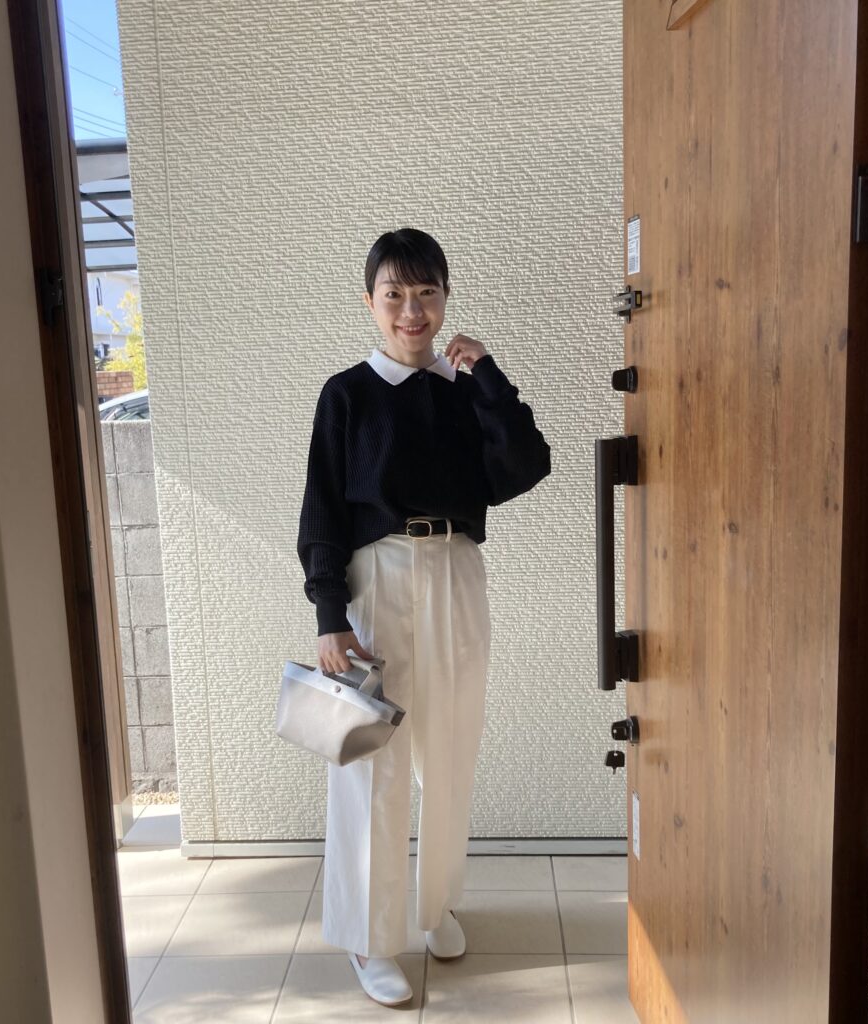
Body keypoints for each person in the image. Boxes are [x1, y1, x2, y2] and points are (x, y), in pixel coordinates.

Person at [297, 227, 551, 1007]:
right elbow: (322, 509)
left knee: (450, 750)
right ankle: (370, 939)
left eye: (426, 292)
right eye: (395, 294)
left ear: (445, 297)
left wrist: (489, 378)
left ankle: (438, 906)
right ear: (370, 301)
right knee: (371, 760)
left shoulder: (464, 390)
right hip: (378, 579)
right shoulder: (347, 394)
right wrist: (329, 612)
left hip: (457, 571)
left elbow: (526, 466)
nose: (412, 309)